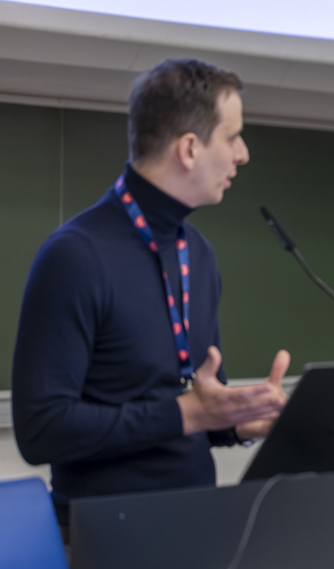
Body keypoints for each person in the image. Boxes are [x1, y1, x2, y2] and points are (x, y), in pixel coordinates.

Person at [12, 59, 289, 529]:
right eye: (232, 137)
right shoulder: (75, 256)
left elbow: (186, 409)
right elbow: (41, 430)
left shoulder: (196, 252)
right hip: (105, 541)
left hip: (196, 526)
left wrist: (237, 421)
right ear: (189, 149)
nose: (242, 154)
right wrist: (185, 415)